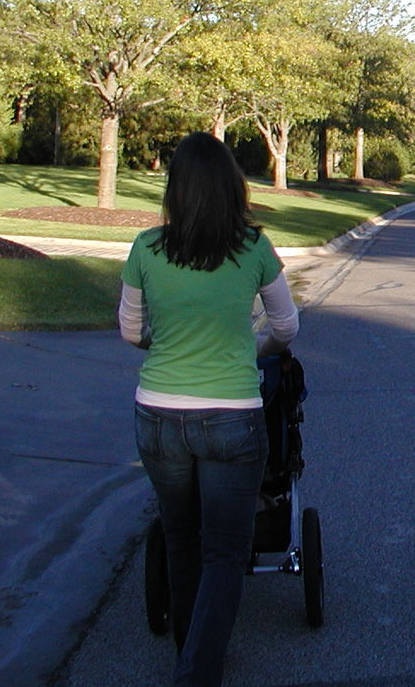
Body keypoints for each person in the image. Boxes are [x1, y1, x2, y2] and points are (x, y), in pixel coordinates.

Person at [118, 132, 299, 687]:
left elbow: (130, 331)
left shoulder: (146, 248)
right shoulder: (255, 249)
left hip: (159, 415)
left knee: (181, 538)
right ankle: (197, 671)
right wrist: (253, 348)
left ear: (175, 191)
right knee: (225, 551)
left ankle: (190, 656)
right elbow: (287, 328)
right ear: (232, 189)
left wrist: (170, 342)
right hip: (231, 417)